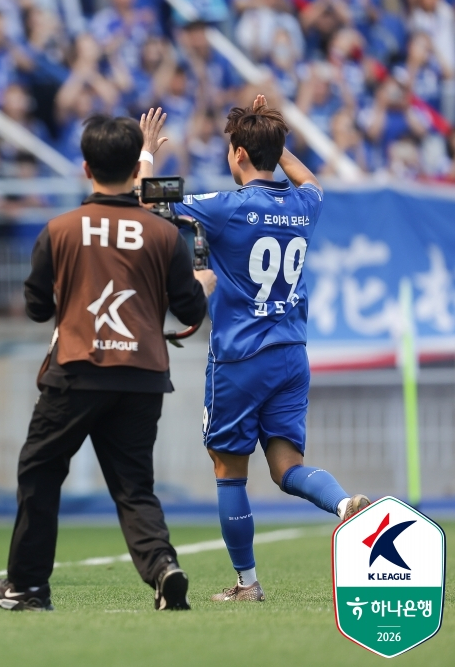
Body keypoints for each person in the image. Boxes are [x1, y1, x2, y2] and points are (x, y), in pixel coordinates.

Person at [0, 110, 215, 613]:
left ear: (85, 167)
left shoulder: (60, 230)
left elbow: (37, 307)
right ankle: (162, 567)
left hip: (78, 369)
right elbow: (190, 308)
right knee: (134, 484)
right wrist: (201, 285)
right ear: (137, 170)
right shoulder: (163, 234)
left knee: (40, 471)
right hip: (144, 374)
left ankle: (27, 586)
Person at [165, 95, 371, 602]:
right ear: (274, 152)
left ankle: (247, 584)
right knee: (287, 467)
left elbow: (151, 200)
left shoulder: (225, 207)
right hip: (291, 355)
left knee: (228, 469)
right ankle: (345, 506)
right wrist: (272, 140)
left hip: (239, 358)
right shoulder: (305, 205)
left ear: (236, 154)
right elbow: (311, 181)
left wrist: (147, 154)